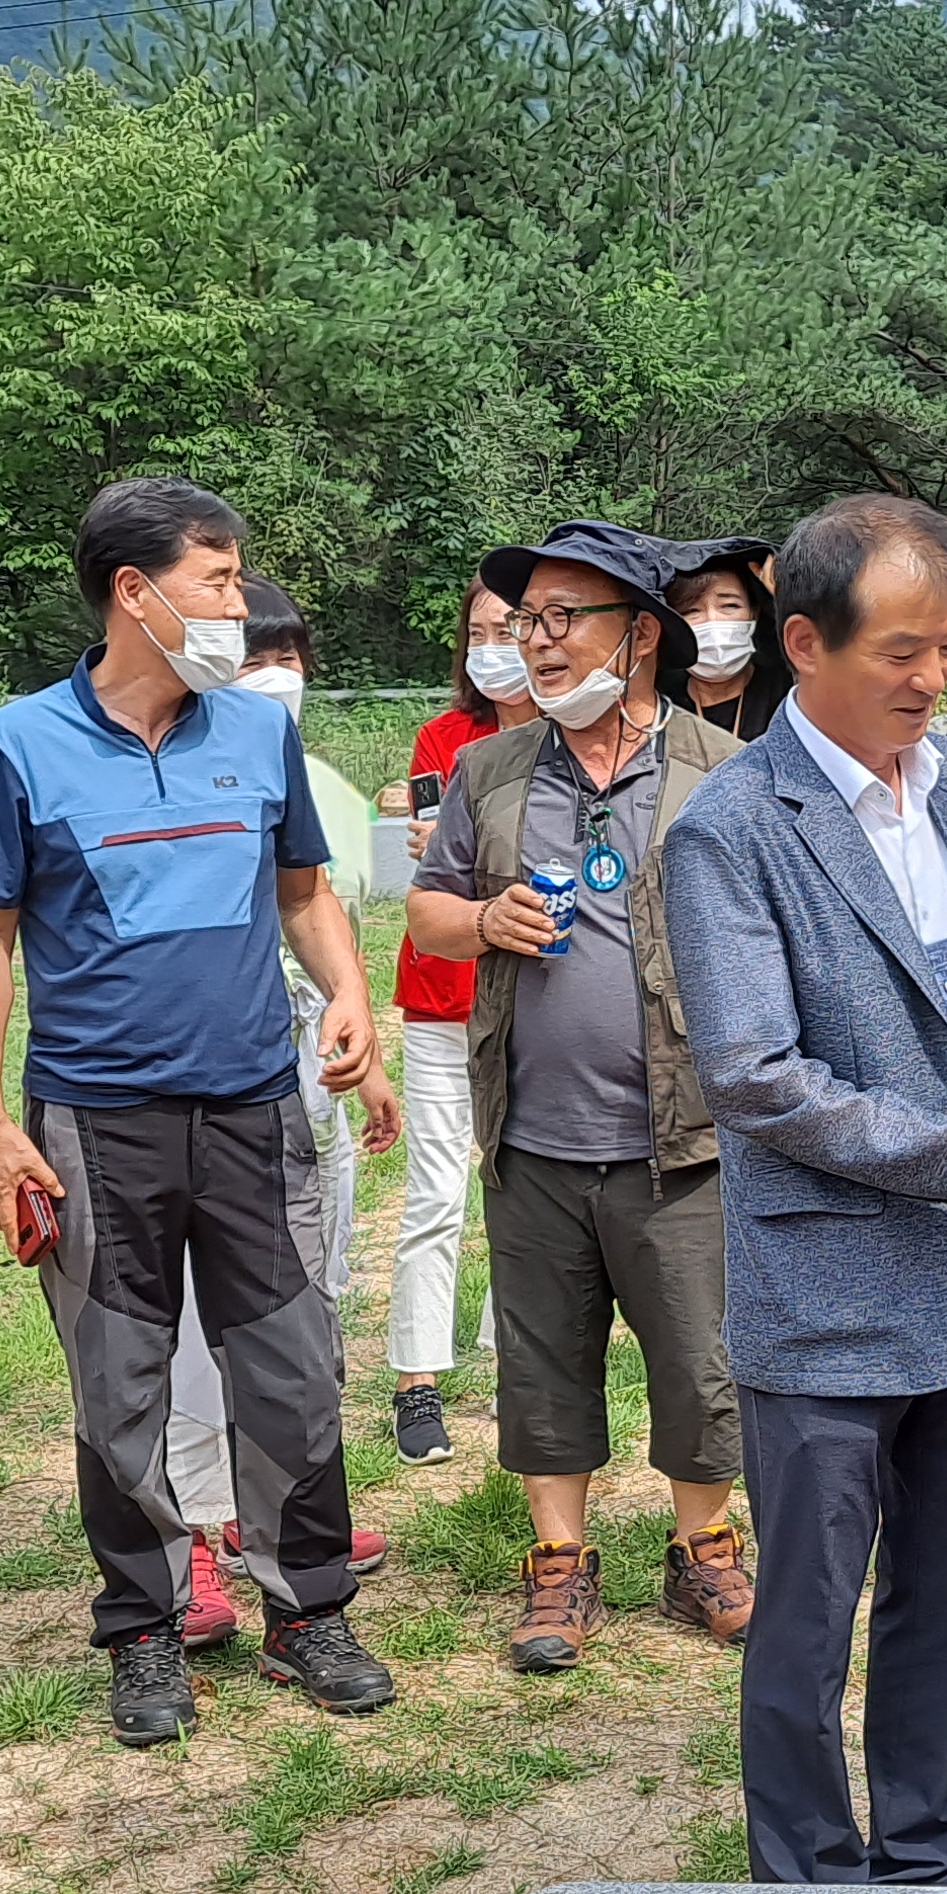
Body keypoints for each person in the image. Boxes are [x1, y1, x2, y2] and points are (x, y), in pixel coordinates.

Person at [668, 495, 947, 1883]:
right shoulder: (732, 828)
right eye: (901, 652)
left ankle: (926, 1852)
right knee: (807, 1611)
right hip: (829, 1279)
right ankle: (805, 1872)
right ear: (805, 643)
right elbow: (756, 1078)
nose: (932, 680)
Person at [0, 475, 391, 1745]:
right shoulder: (17, 744)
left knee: (294, 1368)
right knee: (121, 1383)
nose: (239, 603)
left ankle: (309, 1612)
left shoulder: (257, 737)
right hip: (96, 1121)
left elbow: (304, 890)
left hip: (256, 1108)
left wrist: (349, 993)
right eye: (218, 578)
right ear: (133, 594)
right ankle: (143, 1631)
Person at [408, 524, 754, 1671]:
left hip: (684, 1136)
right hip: (535, 1133)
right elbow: (427, 912)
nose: (536, 643)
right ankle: (559, 1564)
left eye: (564, 618)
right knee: (542, 1358)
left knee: (699, 1360)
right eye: (523, 623)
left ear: (641, 635)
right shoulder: (487, 771)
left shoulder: (724, 769)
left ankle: (702, 1542)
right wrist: (482, 921)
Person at [162, 577, 397, 1646]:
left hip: (310, 1082)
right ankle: (200, 1532)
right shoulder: (168, 774)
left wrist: (362, 1033)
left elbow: (321, 911)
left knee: (306, 1309)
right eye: (257, 654)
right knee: (194, 1332)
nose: (277, 677)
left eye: (291, 655)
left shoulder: (314, 782)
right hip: (201, 1094)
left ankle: (289, 1512)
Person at [384, 571, 536, 1464]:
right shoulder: (444, 737)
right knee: (436, 1193)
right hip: (442, 997)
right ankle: (417, 1382)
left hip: (534, 1000)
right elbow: (430, 855)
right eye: (479, 632)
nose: (495, 648)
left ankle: (517, 1360)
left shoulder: (578, 740)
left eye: (510, 629)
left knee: (522, 1188)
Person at [675, 542, 789, 743]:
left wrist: (787, 600)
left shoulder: (790, 693)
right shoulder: (661, 707)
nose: (713, 620)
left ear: (754, 613)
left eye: (730, 605)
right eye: (692, 611)